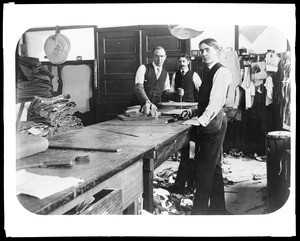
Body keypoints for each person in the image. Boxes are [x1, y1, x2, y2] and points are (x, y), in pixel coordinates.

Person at [180, 38, 233, 215]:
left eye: (207, 50)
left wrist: (200, 120)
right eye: (201, 50)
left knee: (204, 170)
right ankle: (219, 210)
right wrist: (193, 111)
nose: (203, 54)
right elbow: (206, 100)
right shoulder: (209, 71)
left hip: (213, 124)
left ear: (217, 51)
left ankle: (199, 214)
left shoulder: (221, 71)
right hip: (210, 122)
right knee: (213, 167)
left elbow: (216, 102)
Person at [170, 53, 201, 194]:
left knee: (191, 152)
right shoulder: (175, 76)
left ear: (188, 62)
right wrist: (176, 94)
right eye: (180, 61)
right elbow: (170, 92)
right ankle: (182, 184)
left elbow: (201, 92)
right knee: (185, 151)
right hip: (179, 114)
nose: (181, 63)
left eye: (184, 61)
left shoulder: (194, 75)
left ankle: (191, 184)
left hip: (192, 115)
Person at [130, 46, 174, 116]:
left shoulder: (165, 74)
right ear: (153, 57)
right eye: (157, 56)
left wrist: (177, 94)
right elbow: (138, 88)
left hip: (154, 111)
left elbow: (166, 93)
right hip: (138, 109)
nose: (160, 59)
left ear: (165, 57)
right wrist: (148, 102)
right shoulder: (143, 68)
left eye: (162, 56)